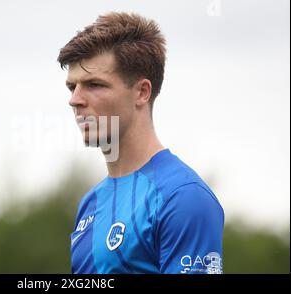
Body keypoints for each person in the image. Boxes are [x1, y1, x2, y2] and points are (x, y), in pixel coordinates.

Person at [57, 12, 224, 274]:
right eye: (72, 87)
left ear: (142, 92)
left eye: (94, 84)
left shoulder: (182, 197)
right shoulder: (90, 203)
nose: (75, 100)